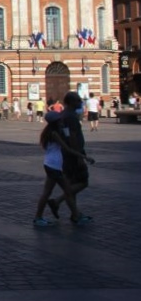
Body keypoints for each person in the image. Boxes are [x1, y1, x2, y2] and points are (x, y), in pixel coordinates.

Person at [33, 110, 92, 227]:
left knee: (50, 192)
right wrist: (85, 157)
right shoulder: (55, 134)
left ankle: (40, 216)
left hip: (50, 164)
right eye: (59, 120)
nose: (61, 121)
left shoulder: (48, 132)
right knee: (67, 191)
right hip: (54, 166)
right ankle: (75, 215)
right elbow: (68, 148)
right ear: (56, 122)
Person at [46, 91, 93, 223]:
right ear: (71, 102)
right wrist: (78, 155)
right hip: (73, 154)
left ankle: (75, 213)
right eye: (78, 100)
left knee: (72, 182)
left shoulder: (63, 115)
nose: (80, 103)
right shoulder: (71, 117)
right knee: (83, 182)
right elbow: (72, 136)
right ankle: (57, 201)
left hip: (66, 154)